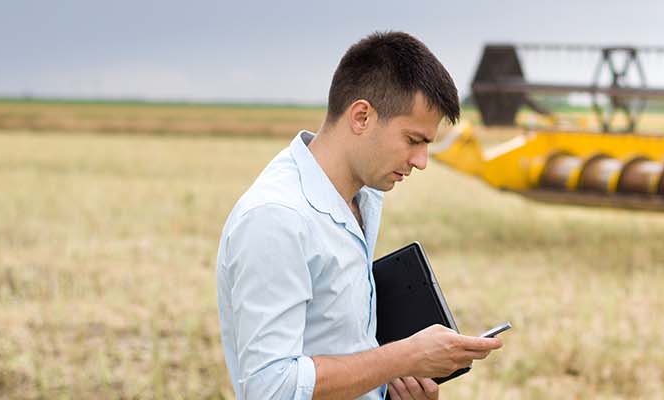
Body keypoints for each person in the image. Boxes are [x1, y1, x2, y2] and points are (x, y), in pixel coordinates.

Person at [215, 31, 504, 400]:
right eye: (414, 140)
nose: (421, 161)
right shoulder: (276, 218)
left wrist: (392, 388)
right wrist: (407, 356)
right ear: (362, 116)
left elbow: (343, 346)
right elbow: (272, 388)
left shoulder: (360, 199)